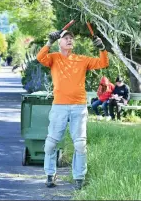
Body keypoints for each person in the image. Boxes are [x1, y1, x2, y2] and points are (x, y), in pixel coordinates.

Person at [37, 29, 108, 190]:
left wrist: (102, 48)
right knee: (50, 144)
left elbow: (103, 63)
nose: (69, 40)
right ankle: (50, 174)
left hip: (78, 107)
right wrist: (49, 42)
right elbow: (40, 58)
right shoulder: (53, 58)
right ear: (59, 42)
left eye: (71, 38)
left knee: (80, 144)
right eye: (66, 38)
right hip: (59, 107)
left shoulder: (81, 60)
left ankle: (79, 177)